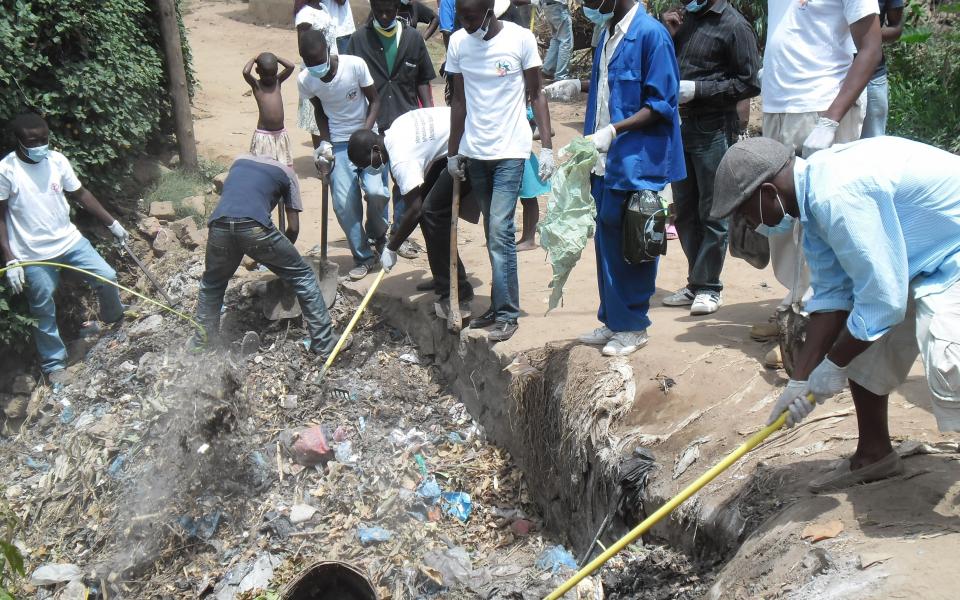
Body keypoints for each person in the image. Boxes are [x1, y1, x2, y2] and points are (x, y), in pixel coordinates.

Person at [712, 135, 960, 492]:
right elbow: (832, 295)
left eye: (744, 212)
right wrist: (800, 380)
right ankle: (873, 455)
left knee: (947, 353)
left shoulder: (836, 196)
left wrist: (833, 365)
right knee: (864, 340)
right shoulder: (812, 202)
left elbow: (883, 302)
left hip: (952, 250)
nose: (748, 223)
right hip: (929, 255)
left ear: (768, 193)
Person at [543, 0, 685, 356]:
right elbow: (609, 91)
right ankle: (613, 320)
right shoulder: (606, 33)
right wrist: (580, 89)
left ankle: (634, 326)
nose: (588, 5)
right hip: (605, 161)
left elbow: (661, 104)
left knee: (635, 242)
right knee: (606, 239)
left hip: (637, 160)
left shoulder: (651, 36)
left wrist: (613, 130)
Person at [749, 0, 881, 365]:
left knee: (823, 220)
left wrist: (831, 120)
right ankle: (795, 310)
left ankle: (820, 329)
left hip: (822, 105)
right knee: (786, 222)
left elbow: (870, 48)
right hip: (779, 106)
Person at [446, 0, 555, 343]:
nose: (465, 24)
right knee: (493, 235)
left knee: (500, 228)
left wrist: (547, 146)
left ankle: (508, 313)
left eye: (471, 18)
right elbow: (459, 101)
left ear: (490, 11)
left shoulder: (520, 39)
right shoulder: (458, 43)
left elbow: (536, 93)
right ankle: (498, 305)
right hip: (476, 152)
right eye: (461, 18)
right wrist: (454, 151)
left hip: (510, 150)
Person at [0, 113, 130, 384]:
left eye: (44, 140)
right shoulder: (6, 170)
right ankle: (54, 364)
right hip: (31, 254)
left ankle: (115, 319)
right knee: (43, 305)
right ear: (19, 141)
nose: (39, 146)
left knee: (106, 276)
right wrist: (10, 258)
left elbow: (81, 194)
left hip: (69, 241)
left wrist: (113, 223)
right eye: (32, 141)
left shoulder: (57, 161)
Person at [659, 0, 761, 316]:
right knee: (685, 210)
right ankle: (696, 281)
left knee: (712, 210)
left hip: (714, 127)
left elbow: (749, 83)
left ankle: (709, 286)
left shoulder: (734, 26)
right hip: (680, 125)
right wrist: (670, 35)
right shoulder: (685, 19)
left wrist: (699, 90)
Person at [195, 154, 337, 356]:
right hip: (254, 227)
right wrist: (281, 259)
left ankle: (202, 344)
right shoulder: (288, 173)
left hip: (219, 225)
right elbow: (293, 228)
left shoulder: (239, 161)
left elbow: (236, 201)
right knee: (303, 275)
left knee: (212, 285)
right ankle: (323, 343)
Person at [347, 107, 479, 317]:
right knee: (430, 212)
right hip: (455, 141)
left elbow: (415, 210)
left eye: (367, 164)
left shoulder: (401, 159)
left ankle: (456, 293)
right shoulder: (395, 129)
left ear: (375, 149)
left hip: (472, 144)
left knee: (431, 213)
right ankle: (445, 277)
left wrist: (391, 247)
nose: (369, 169)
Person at [298, 29, 390, 281]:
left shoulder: (354, 66)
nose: (315, 66)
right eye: (308, 61)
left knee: (376, 192)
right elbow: (319, 111)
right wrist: (323, 144)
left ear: (328, 49)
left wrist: (365, 133)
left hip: (367, 138)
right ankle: (363, 256)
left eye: (318, 59)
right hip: (338, 143)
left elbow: (375, 100)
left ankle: (378, 235)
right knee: (343, 204)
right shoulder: (306, 79)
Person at [349, 0, 436, 260]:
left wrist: (429, 112)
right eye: (379, 11)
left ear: (398, 10)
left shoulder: (412, 39)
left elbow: (422, 80)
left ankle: (401, 233)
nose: (385, 16)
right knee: (375, 190)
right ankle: (378, 233)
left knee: (405, 186)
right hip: (372, 125)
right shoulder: (358, 40)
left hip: (406, 123)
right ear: (372, 9)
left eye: (390, 11)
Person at [295, 0, 337, 150]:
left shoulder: (323, 8)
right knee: (316, 117)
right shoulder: (305, 14)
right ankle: (322, 158)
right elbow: (303, 48)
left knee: (329, 111)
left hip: (330, 67)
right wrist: (320, 59)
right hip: (315, 70)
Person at [243, 52, 296, 166]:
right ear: (257, 72)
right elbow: (246, 72)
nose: (270, 78)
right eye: (266, 75)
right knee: (263, 166)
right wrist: (254, 58)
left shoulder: (277, 82)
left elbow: (291, 66)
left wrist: (276, 58)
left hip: (280, 133)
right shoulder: (257, 85)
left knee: (283, 165)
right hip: (264, 135)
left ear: (276, 72)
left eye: (273, 74)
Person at [861, 0, 904, 138]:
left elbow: (896, 28)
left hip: (871, 76)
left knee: (872, 143)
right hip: (830, 74)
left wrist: (864, 34)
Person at [541, 0, 573, 81]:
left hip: (548, 7)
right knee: (566, 42)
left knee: (556, 38)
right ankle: (561, 76)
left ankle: (547, 69)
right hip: (558, 7)